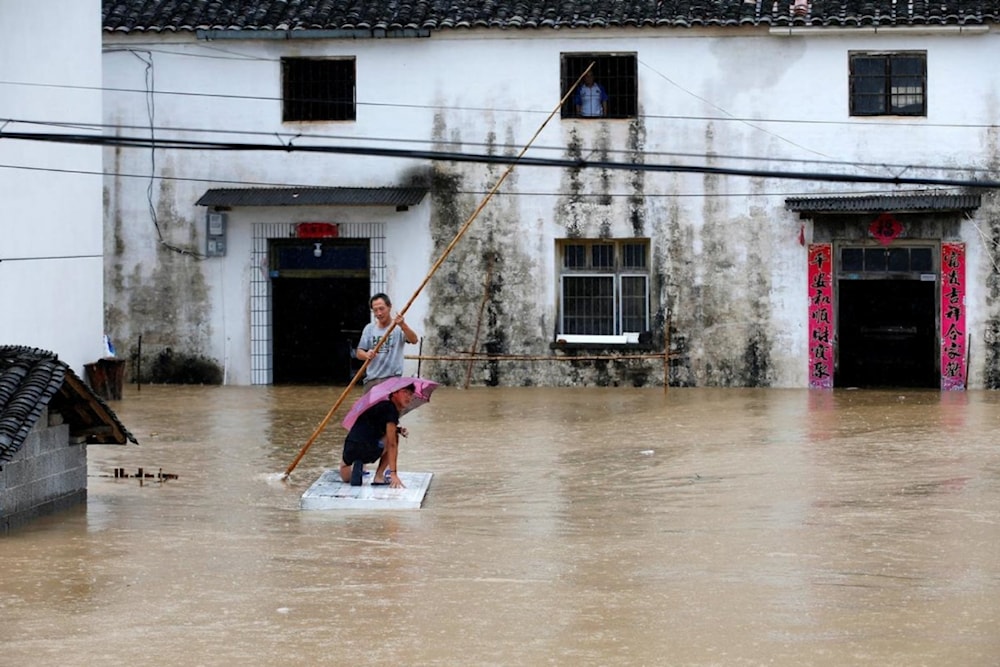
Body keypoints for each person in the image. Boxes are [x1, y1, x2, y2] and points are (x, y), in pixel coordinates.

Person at [339, 383, 414, 488]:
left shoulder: (379, 406)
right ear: (395, 393)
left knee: (346, 476)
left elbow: (372, 425)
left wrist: (397, 429)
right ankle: (379, 476)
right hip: (368, 449)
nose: (408, 397)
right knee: (393, 438)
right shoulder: (391, 410)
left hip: (350, 447)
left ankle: (355, 467)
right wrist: (393, 474)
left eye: (411, 394)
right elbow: (392, 444)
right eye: (405, 392)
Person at [355, 293, 419, 392]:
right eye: (375, 310)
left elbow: (414, 340)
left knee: (389, 407)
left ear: (389, 307)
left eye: (381, 309)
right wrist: (367, 355)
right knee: (370, 407)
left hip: (393, 381)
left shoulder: (398, 327)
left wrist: (403, 325)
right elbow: (359, 353)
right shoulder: (369, 329)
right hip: (372, 380)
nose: (379, 313)